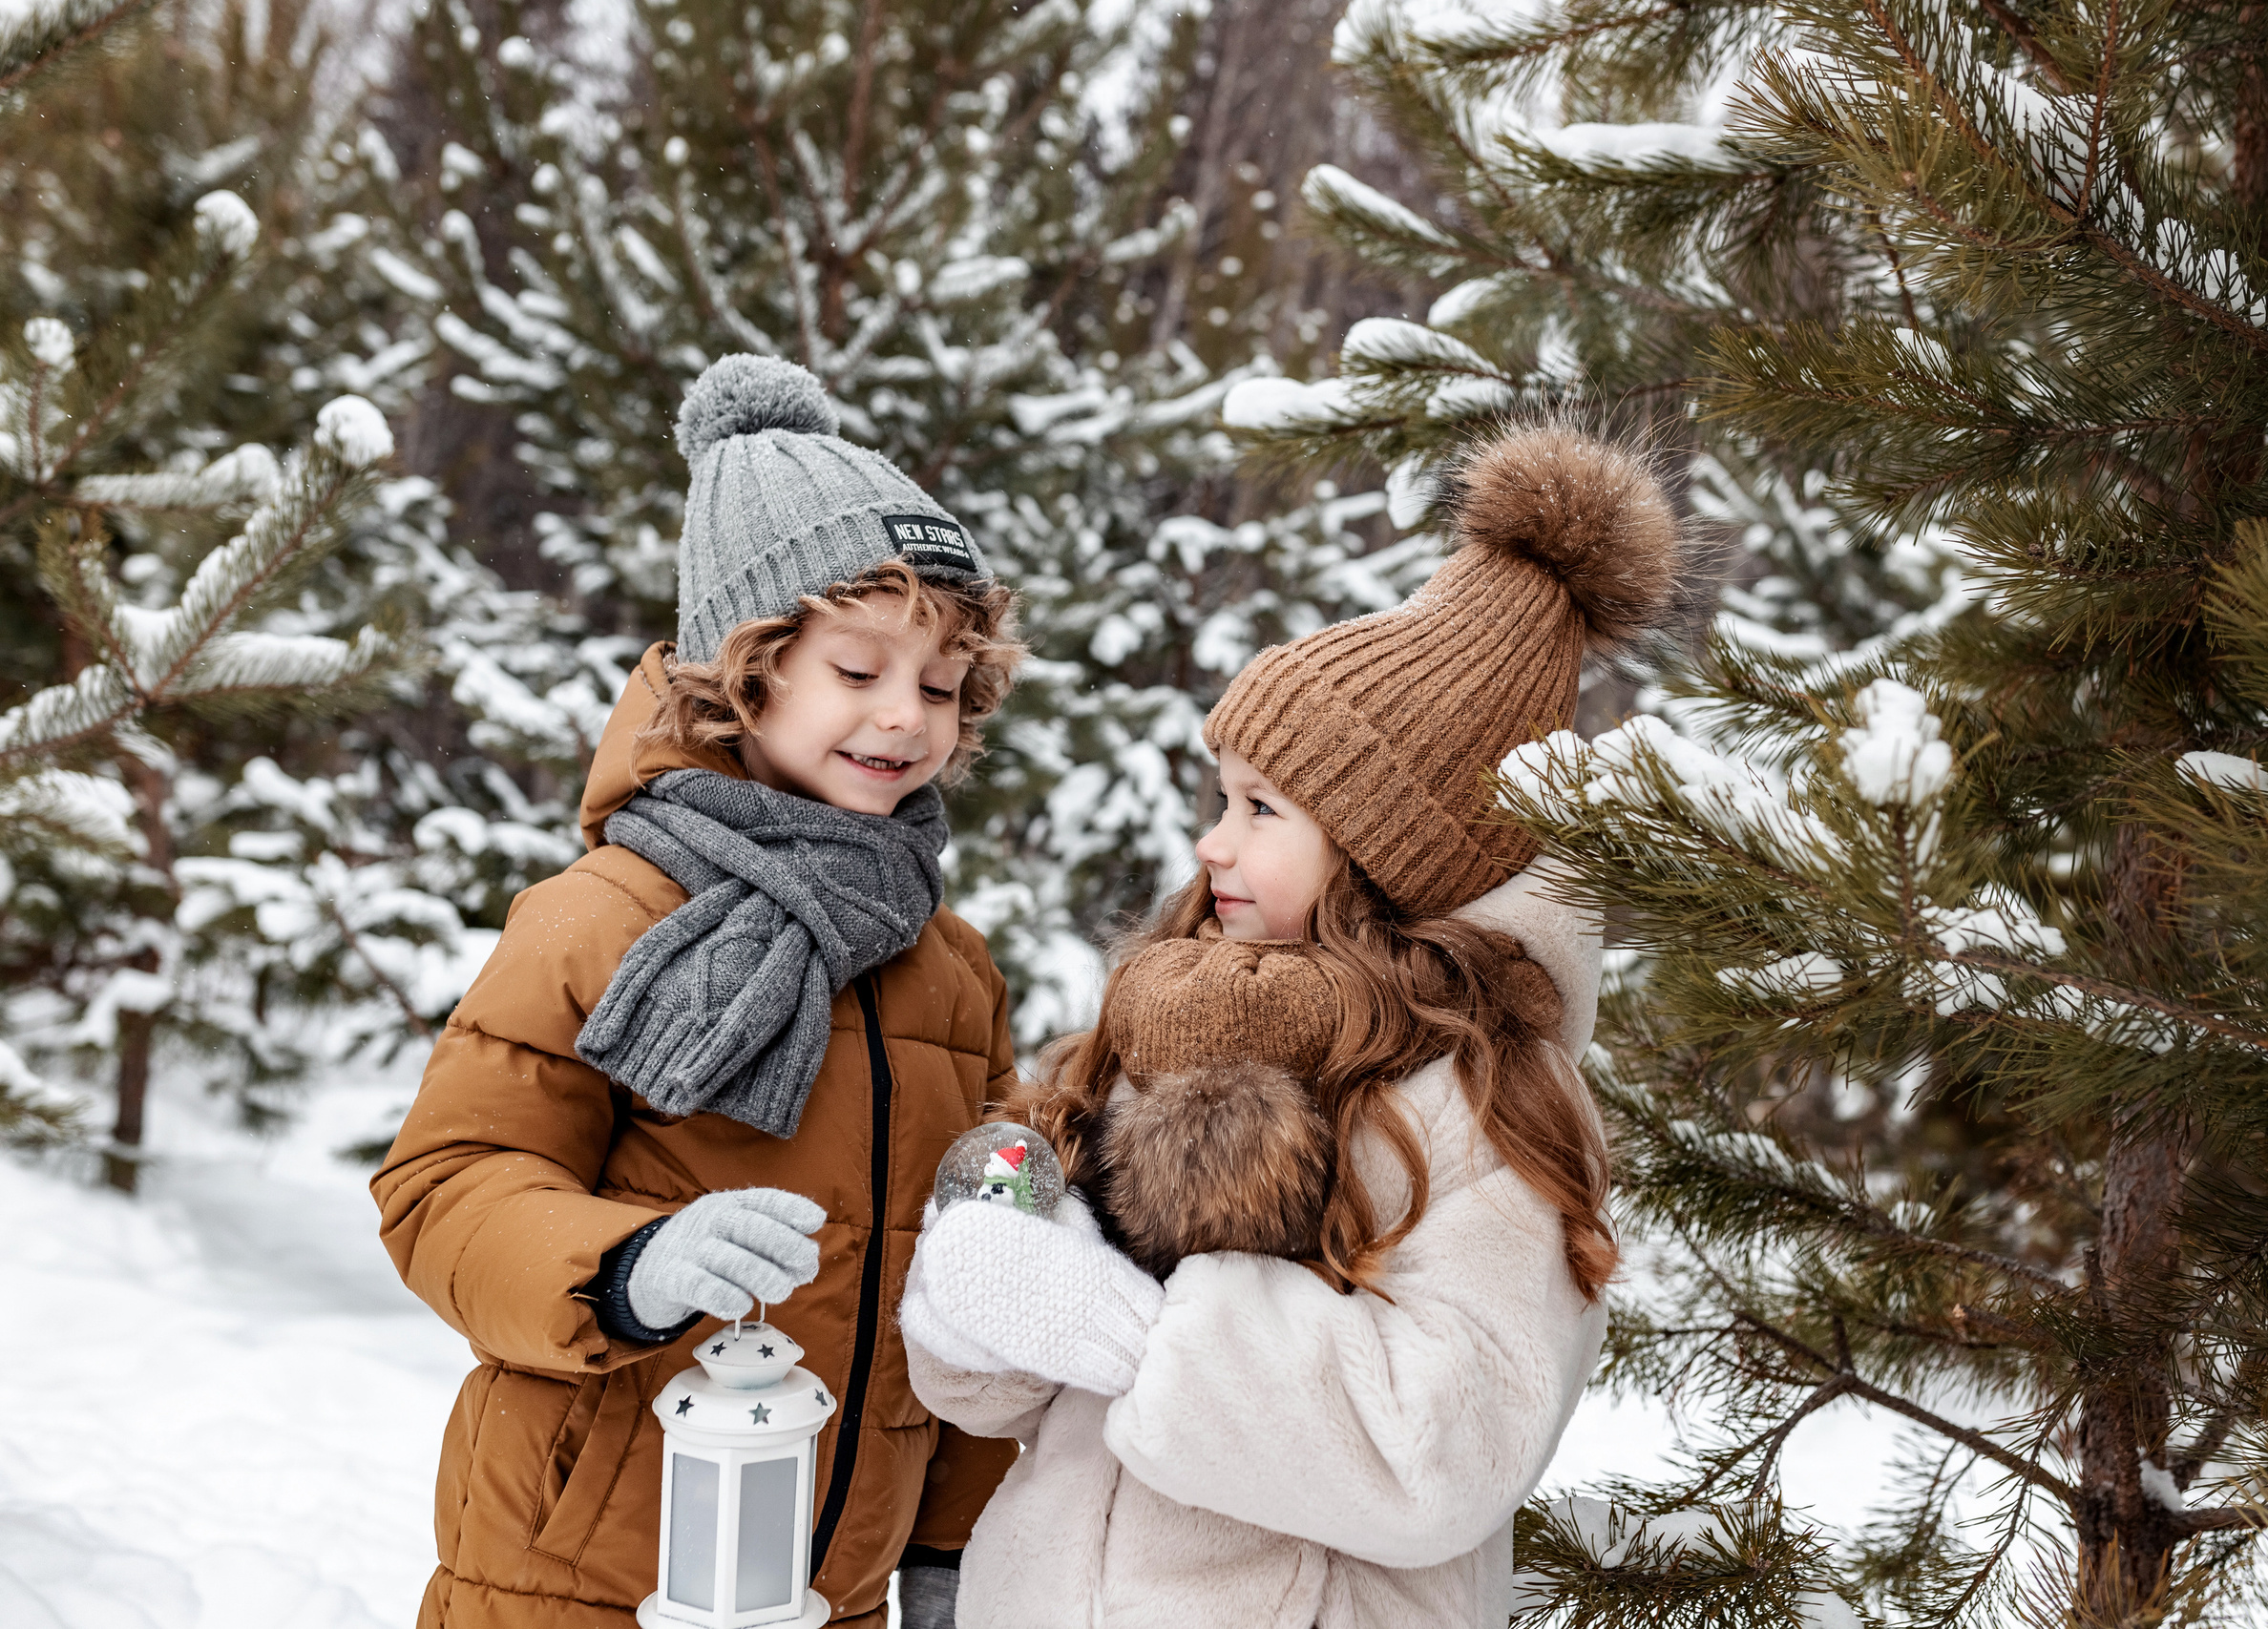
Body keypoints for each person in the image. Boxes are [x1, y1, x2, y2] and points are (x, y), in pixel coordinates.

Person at [896, 423, 1684, 1627]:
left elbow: (1433, 1454)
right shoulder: (1178, 1012)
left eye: (1263, 808)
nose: (1214, 842)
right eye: (1222, 797)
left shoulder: (1484, 1101)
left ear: (1387, 852)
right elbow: (1007, 1390)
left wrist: (1137, 1335)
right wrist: (991, 1279)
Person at [373, 355, 1025, 1629]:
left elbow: (973, 1284)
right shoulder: (600, 918)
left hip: (834, 1593)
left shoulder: (950, 970)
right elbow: (443, 1190)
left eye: (941, 684)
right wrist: (626, 1262)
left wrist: (952, 1545)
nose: (906, 717)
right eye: (859, 670)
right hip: (580, 1583)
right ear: (751, 665)